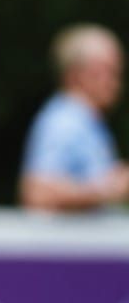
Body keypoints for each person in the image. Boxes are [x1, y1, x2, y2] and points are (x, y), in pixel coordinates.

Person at [19, 24, 129, 211]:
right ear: (75, 74)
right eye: (107, 70)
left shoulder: (88, 121)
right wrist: (110, 187)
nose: (116, 82)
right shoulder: (64, 121)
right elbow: (37, 194)